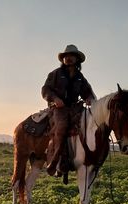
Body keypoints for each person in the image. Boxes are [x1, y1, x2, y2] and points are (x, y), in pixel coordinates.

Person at [41, 44, 96, 176]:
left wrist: (89, 98)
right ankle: (55, 162)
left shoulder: (80, 77)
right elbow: (45, 90)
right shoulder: (55, 74)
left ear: (77, 59)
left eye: (72, 56)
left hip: (75, 107)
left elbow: (87, 92)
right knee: (62, 127)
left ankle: (86, 157)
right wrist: (54, 98)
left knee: (89, 123)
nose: (69, 58)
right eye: (66, 56)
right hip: (59, 108)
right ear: (63, 59)